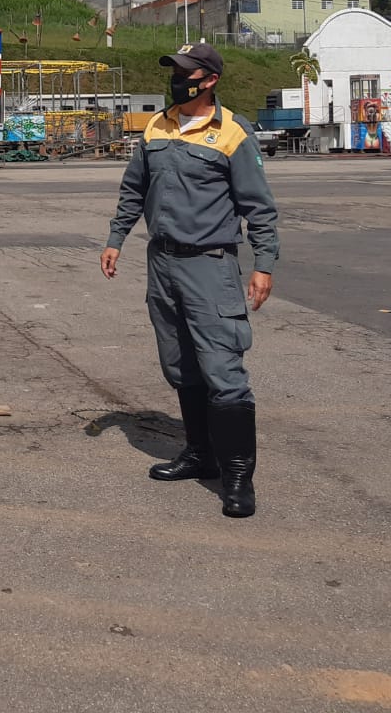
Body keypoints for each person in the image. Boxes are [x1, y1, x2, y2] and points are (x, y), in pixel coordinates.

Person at [100, 42, 279, 518]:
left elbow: (258, 207)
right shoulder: (158, 126)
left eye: (186, 73)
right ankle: (201, 455)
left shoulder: (233, 134)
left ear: (209, 80)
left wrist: (263, 263)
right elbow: (134, 187)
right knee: (181, 367)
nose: (177, 80)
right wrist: (117, 236)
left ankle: (238, 477)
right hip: (163, 263)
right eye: (175, 72)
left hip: (210, 265)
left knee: (223, 371)